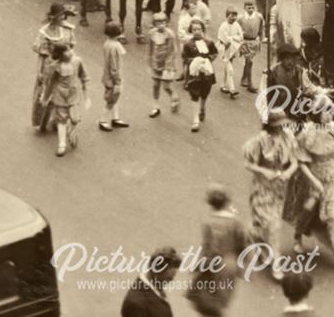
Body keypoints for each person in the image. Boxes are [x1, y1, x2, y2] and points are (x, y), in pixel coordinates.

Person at [285, 105, 334, 270]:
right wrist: (314, 181)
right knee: (306, 211)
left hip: (331, 176)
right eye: (326, 111)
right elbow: (301, 161)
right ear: (317, 115)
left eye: (330, 111)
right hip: (311, 177)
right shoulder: (307, 133)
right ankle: (297, 238)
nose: (330, 114)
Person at [243, 109, 299, 281]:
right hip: (261, 188)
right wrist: (264, 171)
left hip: (279, 188)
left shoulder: (288, 137)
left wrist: (288, 172)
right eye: (277, 125)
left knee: (271, 224)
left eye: (283, 124)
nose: (281, 127)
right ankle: (276, 264)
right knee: (271, 225)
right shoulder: (260, 140)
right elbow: (248, 164)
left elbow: (295, 162)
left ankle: (256, 239)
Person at [186, 185, 248, 317]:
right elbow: (243, 244)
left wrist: (197, 266)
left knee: (206, 301)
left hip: (214, 266)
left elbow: (209, 250)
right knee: (219, 302)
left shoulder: (209, 222)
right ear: (226, 202)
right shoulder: (235, 221)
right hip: (230, 265)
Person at [40, 43, 89, 157]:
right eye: (66, 51)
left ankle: (71, 131)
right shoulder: (55, 67)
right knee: (61, 119)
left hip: (73, 95)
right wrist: (45, 97)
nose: (70, 52)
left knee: (75, 118)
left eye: (70, 49)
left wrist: (85, 88)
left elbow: (83, 75)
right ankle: (62, 144)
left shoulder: (77, 61)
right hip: (60, 95)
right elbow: (50, 83)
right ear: (60, 55)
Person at [120, 246, 182, 317]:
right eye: (168, 278)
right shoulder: (136, 303)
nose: (170, 282)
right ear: (156, 272)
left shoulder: (154, 291)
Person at [182, 19, 219, 133]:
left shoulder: (209, 43)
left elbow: (214, 53)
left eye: (199, 29)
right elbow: (185, 57)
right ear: (191, 31)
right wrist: (194, 61)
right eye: (194, 29)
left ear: (203, 30)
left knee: (204, 92)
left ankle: (202, 107)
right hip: (194, 73)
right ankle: (195, 119)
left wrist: (208, 60)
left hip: (206, 73)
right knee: (194, 94)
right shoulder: (188, 44)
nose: (197, 32)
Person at [147, 12, 180, 118]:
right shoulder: (152, 33)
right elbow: (150, 49)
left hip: (167, 65)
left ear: (166, 23)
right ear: (154, 24)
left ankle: (174, 97)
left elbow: (172, 51)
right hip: (156, 63)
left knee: (166, 86)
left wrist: (168, 67)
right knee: (155, 85)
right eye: (158, 22)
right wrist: (149, 63)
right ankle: (155, 107)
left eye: (163, 22)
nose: (161, 25)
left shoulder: (169, 35)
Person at [98, 22, 129, 132]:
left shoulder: (108, 43)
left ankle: (115, 118)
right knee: (112, 100)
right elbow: (114, 66)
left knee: (115, 98)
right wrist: (118, 81)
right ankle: (103, 120)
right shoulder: (115, 46)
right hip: (113, 78)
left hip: (107, 76)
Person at [237, 0, 265, 92]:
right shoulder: (240, 18)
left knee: (248, 62)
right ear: (244, 8)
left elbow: (261, 28)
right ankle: (250, 84)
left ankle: (243, 78)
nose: (251, 9)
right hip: (244, 42)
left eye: (252, 7)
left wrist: (261, 39)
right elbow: (236, 29)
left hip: (254, 42)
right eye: (249, 7)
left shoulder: (259, 17)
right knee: (249, 62)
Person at [216, 7, 242, 98]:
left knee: (227, 67)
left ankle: (222, 85)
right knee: (230, 68)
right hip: (224, 48)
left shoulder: (237, 25)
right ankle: (232, 89)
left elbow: (240, 36)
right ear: (227, 16)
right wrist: (233, 38)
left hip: (233, 48)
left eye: (235, 16)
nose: (234, 18)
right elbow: (226, 40)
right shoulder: (223, 26)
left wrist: (233, 38)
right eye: (231, 16)